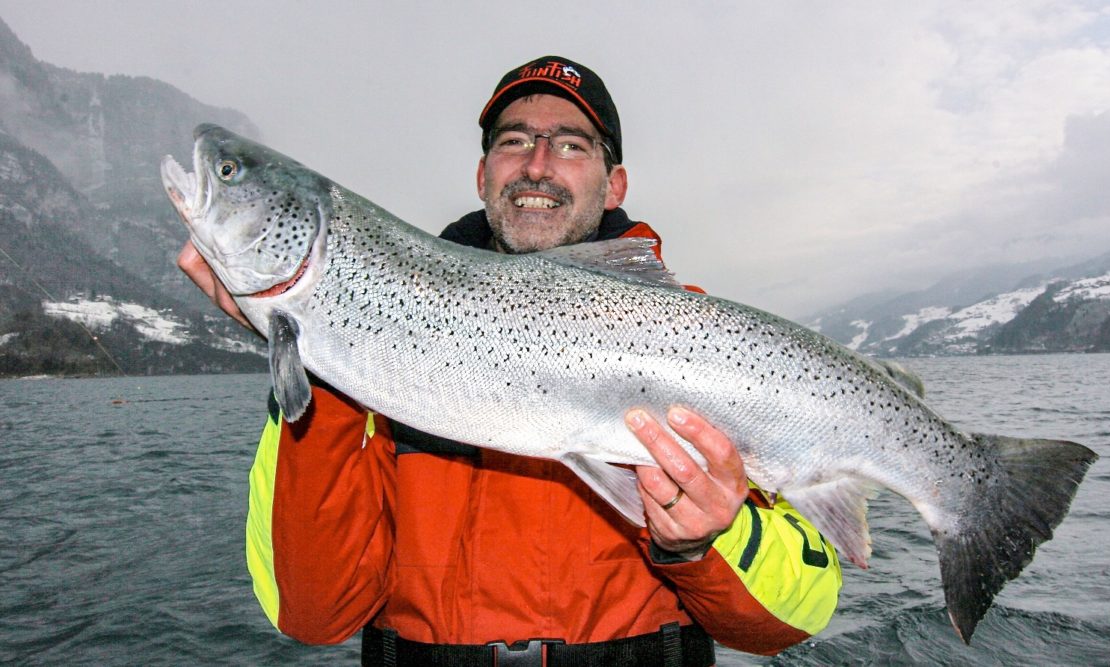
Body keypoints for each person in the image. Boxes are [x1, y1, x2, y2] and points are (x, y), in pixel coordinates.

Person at [179, 56, 841, 666]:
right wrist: (323, 365)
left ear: (615, 185)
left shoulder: (706, 347)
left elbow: (795, 615)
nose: (538, 162)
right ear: (483, 173)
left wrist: (705, 538)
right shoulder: (363, 348)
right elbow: (313, 612)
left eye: (571, 143)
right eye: (513, 139)